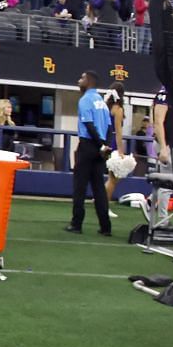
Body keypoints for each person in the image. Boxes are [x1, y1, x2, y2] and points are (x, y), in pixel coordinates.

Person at [65, 71, 113, 236]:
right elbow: (109, 127)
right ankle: (106, 227)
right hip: (100, 149)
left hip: (87, 146)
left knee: (80, 187)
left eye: (82, 78)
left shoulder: (85, 100)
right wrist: (106, 146)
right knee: (99, 187)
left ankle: (76, 224)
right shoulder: (101, 101)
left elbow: (90, 125)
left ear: (89, 81)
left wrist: (100, 145)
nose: (79, 80)